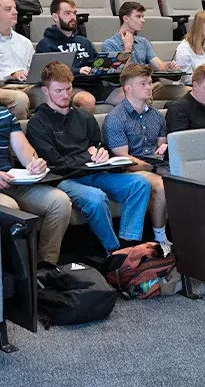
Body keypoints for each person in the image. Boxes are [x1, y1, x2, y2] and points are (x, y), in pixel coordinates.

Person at [26, 62, 152, 256]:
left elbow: (99, 145)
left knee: (141, 183)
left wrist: (102, 153)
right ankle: (114, 251)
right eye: (58, 90)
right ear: (45, 90)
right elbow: (56, 162)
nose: (65, 95)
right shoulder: (38, 122)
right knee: (96, 198)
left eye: (68, 89)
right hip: (64, 179)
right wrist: (88, 155)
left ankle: (128, 243)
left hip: (96, 172)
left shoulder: (84, 116)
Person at [102, 64, 172, 254]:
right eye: (143, 84)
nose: (149, 87)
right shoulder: (116, 118)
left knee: (184, 178)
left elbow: (161, 146)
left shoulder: (155, 115)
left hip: (154, 163)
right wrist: (150, 166)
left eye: (149, 83)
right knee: (161, 185)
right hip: (131, 169)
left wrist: (163, 152)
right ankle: (159, 236)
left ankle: (189, 232)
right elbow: (122, 158)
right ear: (128, 88)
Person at [0, 104, 72, 263]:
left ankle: (46, 266)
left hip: (13, 180)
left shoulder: (4, 113)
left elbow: (23, 148)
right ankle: (17, 277)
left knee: (59, 201)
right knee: (10, 209)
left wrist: (35, 163)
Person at [36, 0, 124, 113]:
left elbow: (95, 63)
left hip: (95, 85)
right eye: (67, 13)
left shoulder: (84, 41)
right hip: (70, 87)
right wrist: (78, 70)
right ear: (55, 16)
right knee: (87, 100)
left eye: (74, 13)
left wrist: (109, 69)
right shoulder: (46, 44)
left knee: (130, 94)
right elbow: (49, 74)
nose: (73, 17)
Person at [101, 1, 189, 102]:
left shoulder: (143, 42)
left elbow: (159, 66)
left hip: (151, 85)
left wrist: (167, 67)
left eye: (143, 16)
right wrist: (128, 48)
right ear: (125, 18)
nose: (143, 20)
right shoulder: (109, 44)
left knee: (189, 92)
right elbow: (123, 74)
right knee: (141, 96)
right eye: (138, 16)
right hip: (128, 88)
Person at [0, 0, 35, 119]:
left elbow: (32, 69)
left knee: (51, 93)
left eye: (15, 8)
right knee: (20, 99)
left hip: (25, 86)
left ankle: (44, 135)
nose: (15, 12)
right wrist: (11, 74)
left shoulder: (25, 42)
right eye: (8, 9)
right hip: (3, 87)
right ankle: (16, 136)